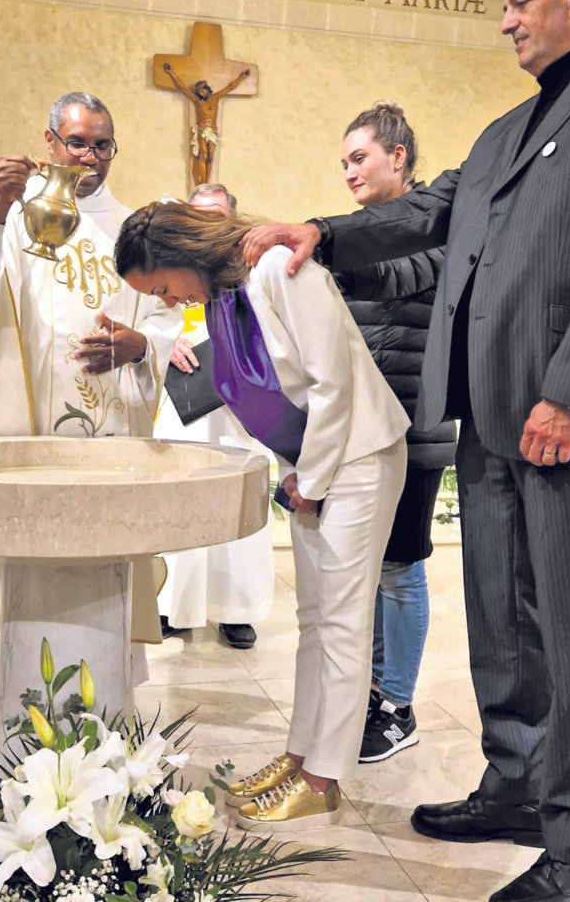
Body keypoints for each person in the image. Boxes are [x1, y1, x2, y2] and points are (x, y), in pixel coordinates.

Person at [242, 0, 570, 902]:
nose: (504, 19)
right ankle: (516, 788)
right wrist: (322, 233)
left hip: (561, 420)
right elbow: (429, 213)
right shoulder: (504, 132)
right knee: (501, 621)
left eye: (519, 1)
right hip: (485, 416)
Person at [115, 200, 410, 830]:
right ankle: (300, 755)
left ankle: (324, 778)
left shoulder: (279, 266)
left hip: (357, 454)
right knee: (315, 620)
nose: (168, 302)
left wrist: (316, 475)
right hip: (312, 461)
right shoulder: (223, 295)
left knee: (343, 621)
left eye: (163, 287)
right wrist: (301, 472)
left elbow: (335, 383)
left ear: (181, 255)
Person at [0, 92, 182, 692]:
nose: (89, 156)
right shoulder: (14, 214)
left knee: (105, 557)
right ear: (50, 143)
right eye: (77, 142)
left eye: (102, 144)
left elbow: (169, 322)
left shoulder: (133, 230)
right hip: (25, 435)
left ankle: (108, 687)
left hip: (110, 440)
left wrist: (138, 346)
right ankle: (19, 692)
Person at [337, 103, 456, 761]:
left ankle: (398, 707)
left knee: (402, 565)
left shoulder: (437, 228)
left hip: (414, 423)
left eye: (361, 158)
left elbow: (398, 277)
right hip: (363, 429)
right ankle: (374, 694)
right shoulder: (355, 232)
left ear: (398, 158)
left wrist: (323, 251)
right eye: (345, 163)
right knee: (374, 567)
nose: (350, 172)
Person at [154, 183, 273, 650]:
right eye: (198, 215)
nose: (207, 225)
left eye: (216, 216)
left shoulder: (252, 270)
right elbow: (147, 319)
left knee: (235, 504)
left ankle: (235, 610)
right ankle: (171, 605)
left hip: (238, 409)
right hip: (182, 405)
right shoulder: (168, 267)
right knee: (177, 502)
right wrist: (167, 342)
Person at [162, 63, 251, 185]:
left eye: (202, 91)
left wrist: (242, 77)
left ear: (207, 89)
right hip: (202, 130)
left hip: (213, 131)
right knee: (203, 155)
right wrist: (171, 72)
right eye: (198, 92)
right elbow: (182, 87)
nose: (200, 94)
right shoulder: (198, 101)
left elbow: (231, 87)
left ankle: (206, 183)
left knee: (210, 157)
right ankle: (202, 183)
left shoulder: (216, 97)